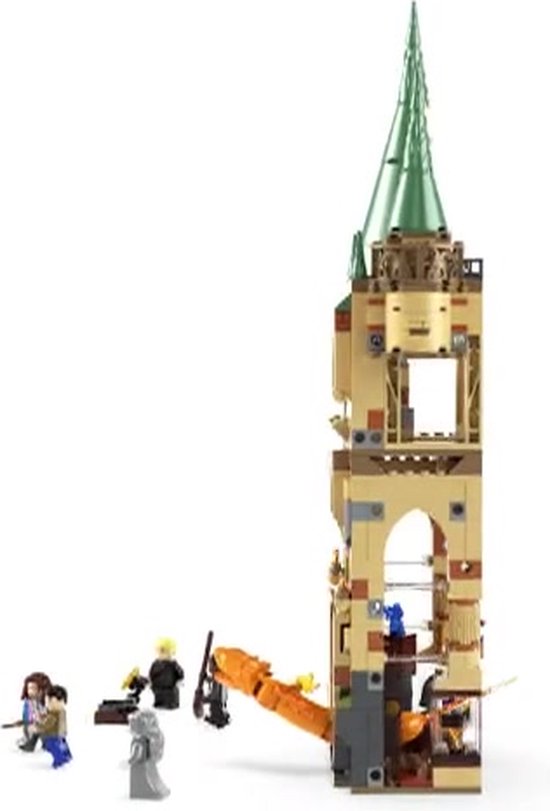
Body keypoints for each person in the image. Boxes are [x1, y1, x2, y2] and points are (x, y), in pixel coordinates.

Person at [30, 685, 72, 768]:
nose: (48, 704)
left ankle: (59, 760)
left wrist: (37, 728)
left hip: (52, 735)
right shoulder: (62, 711)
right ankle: (67, 756)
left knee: (53, 747)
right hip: (61, 733)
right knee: (63, 745)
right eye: (48, 702)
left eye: (50, 702)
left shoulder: (54, 714)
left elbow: (47, 725)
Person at [18, 672, 51, 752]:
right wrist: (27, 721)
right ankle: (29, 745)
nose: (30, 691)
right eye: (29, 688)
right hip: (33, 723)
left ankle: (47, 744)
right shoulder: (28, 702)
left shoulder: (47, 700)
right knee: (31, 730)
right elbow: (27, 714)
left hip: (45, 725)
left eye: (33, 688)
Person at [148, 638, 184, 709]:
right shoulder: (155, 664)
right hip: (158, 689)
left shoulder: (173, 665)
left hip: (170, 690)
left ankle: (170, 704)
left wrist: (179, 681)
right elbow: (151, 674)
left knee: (169, 698)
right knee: (159, 698)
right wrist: (151, 682)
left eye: (165, 651)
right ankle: (159, 703)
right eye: (160, 651)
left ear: (171, 652)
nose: (162, 654)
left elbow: (180, 674)